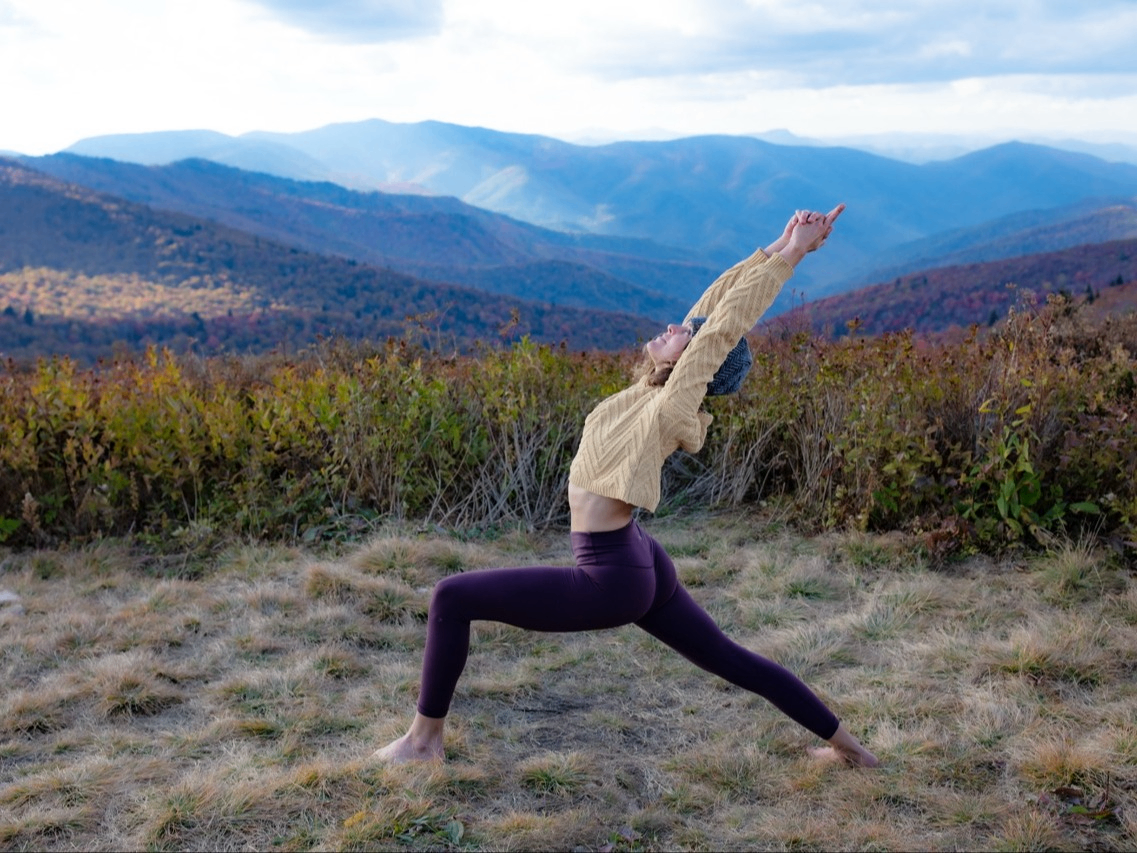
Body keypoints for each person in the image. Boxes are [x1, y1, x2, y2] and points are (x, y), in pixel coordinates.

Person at [374, 204, 879, 769]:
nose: (675, 327)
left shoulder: (673, 405)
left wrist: (795, 256)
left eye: (685, 337)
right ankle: (854, 753)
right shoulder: (651, 390)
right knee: (726, 656)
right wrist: (777, 243)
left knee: (451, 596)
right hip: (636, 556)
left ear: (696, 366)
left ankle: (423, 743)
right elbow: (710, 310)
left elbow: (721, 330)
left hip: (611, 576)